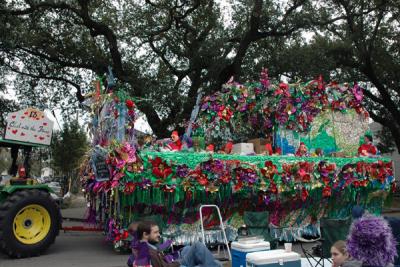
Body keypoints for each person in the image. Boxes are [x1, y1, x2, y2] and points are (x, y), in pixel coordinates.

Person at [134, 221, 221, 267]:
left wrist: (173, 257)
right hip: (174, 265)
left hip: (171, 263)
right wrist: (178, 263)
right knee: (198, 246)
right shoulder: (147, 253)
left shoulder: (146, 247)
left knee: (187, 248)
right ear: (145, 234)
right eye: (155, 232)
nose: (159, 235)